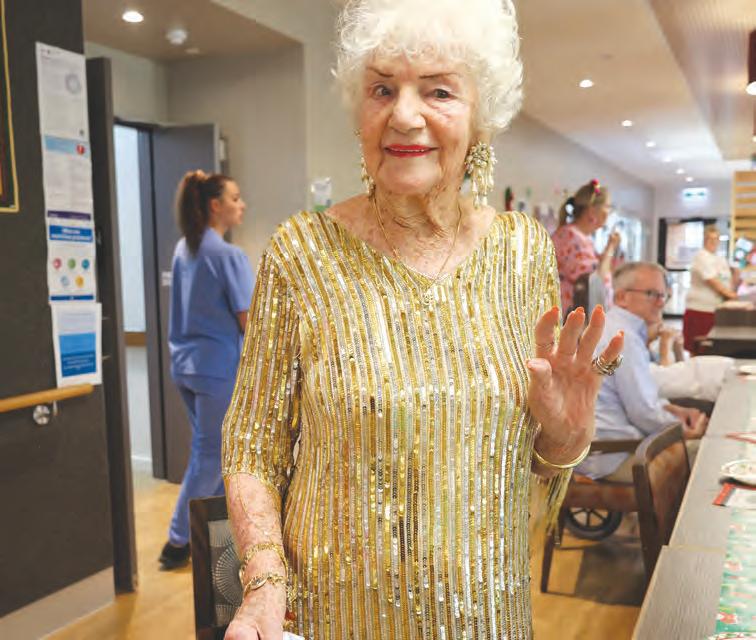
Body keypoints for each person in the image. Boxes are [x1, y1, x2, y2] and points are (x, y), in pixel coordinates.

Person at [221, 2, 624, 638]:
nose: (404, 115)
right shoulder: (302, 253)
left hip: (486, 616)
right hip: (336, 616)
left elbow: (536, 467)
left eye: (438, 91)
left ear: (481, 116)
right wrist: (265, 582)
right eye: (382, 89)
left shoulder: (521, 251)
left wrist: (564, 436)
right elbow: (252, 443)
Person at [158, 171, 254, 570]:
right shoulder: (228, 256)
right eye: (235, 197)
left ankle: (212, 536)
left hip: (186, 367)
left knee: (214, 453)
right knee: (211, 456)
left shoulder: (185, 248)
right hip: (216, 369)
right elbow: (249, 321)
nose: (241, 204)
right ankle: (178, 541)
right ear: (216, 206)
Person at [578, 262, 708, 483]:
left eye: (663, 295)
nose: (661, 302)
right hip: (612, 456)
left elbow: (641, 400)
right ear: (621, 297)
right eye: (651, 294)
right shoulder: (623, 338)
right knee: (706, 453)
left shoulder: (615, 328)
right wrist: (683, 430)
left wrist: (673, 410)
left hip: (607, 450)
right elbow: (643, 413)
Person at [551, 180, 621, 316]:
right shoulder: (571, 237)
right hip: (571, 318)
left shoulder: (580, 238)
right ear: (592, 211)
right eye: (607, 207)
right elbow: (595, 282)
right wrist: (611, 248)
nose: (609, 213)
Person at [682, 224, 738, 353]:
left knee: (711, 349)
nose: (713, 242)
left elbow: (727, 282)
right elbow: (713, 282)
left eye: (716, 239)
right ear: (704, 240)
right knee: (699, 349)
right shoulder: (701, 256)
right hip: (700, 309)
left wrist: (736, 274)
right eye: (710, 239)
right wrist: (732, 296)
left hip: (715, 310)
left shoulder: (720, 259)